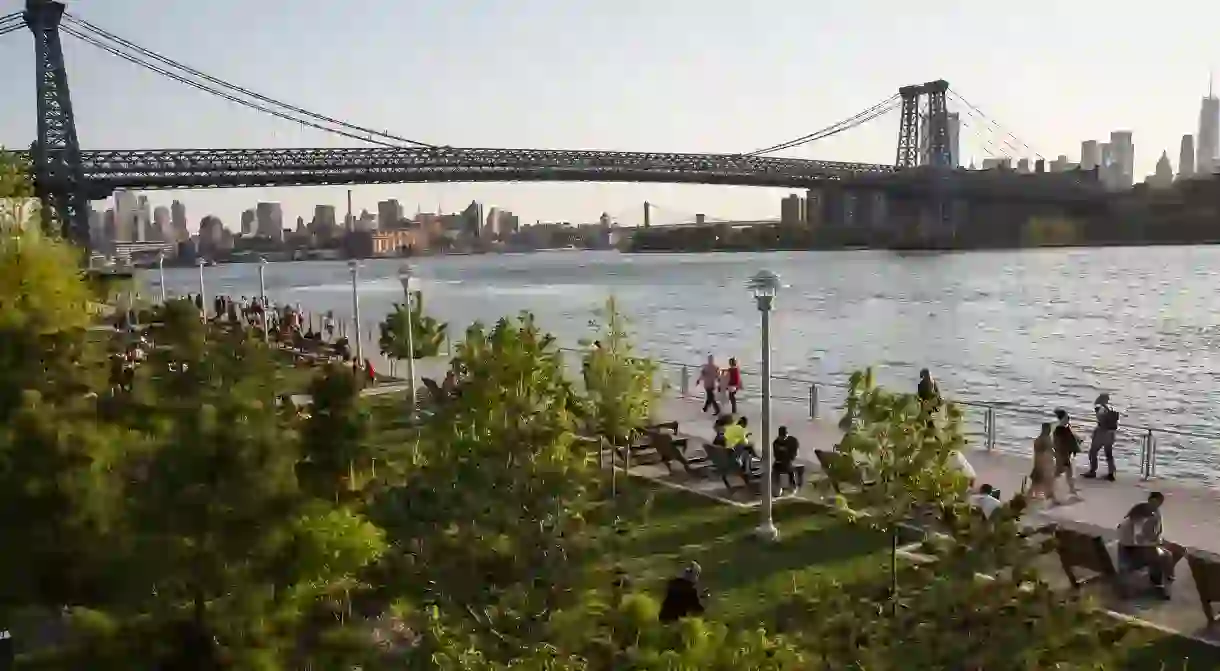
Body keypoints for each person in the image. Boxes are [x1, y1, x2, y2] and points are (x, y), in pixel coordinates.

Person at [1117, 492, 1186, 599]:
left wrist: (1161, 542)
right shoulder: (1143, 517)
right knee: (1166, 555)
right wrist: (1161, 545)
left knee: (1175, 551)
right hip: (1131, 555)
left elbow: (1151, 536)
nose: (1156, 506)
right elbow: (1143, 540)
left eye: (1158, 503)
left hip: (1133, 550)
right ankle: (1164, 583)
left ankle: (1160, 577)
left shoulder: (1144, 513)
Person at [1086, 392, 1119, 481]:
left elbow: (1101, 419)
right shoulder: (1111, 407)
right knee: (1109, 454)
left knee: (1093, 452)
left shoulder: (1100, 408)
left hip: (1102, 433)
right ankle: (1111, 473)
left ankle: (1093, 471)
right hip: (1111, 433)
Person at [1051, 409, 1082, 501]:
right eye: (1067, 417)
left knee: (1068, 472)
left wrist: (1077, 440)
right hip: (1061, 455)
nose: (1068, 418)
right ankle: (1050, 491)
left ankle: (1072, 490)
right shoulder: (1059, 430)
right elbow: (1057, 444)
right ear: (1062, 418)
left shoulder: (1065, 427)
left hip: (1065, 454)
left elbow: (1071, 438)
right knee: (1058, 473)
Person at [1025, 422, 1058, 502]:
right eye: (1049, 429)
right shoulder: (1045, 439)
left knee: (1037, 482)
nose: (1050, 431)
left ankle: (1029, 497)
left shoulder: (1040, 439)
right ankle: (1050, 497)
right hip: (1043, 464)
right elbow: (1050, 450)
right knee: (1043, 482)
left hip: (1039, 463)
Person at [772, 426, 802, 492]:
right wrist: (780, 459)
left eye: (784, 437)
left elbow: (794, 454)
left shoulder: (793, 441)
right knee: (774, 469)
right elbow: (776, 454)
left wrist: (788, 457)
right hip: (780, 461)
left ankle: (792, 486)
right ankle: (776, 487)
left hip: (790, 460)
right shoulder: (776, 443)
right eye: (781, 437)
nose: (782, 439)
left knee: (789, 468)